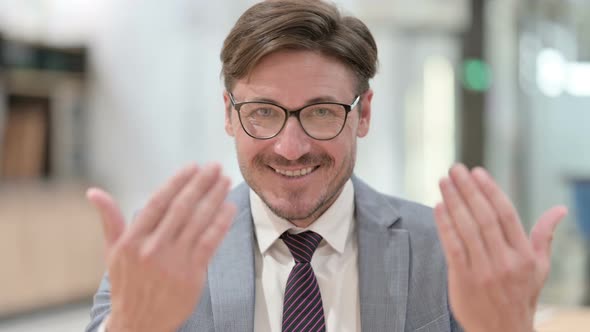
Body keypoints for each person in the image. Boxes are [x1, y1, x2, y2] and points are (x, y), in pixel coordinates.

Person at [85, 1, 568, 331]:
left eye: (321, 112)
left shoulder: (442, 250)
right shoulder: (160, 254)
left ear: (365, 113)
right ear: (229, 114)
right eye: (262, 113)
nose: (290, 147)